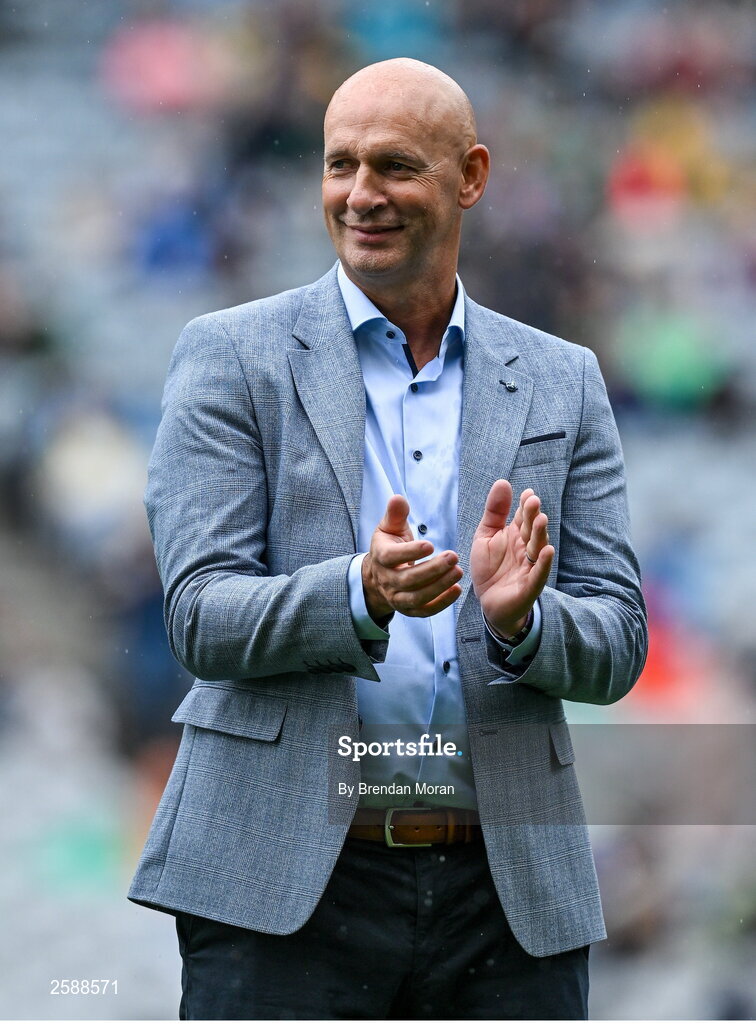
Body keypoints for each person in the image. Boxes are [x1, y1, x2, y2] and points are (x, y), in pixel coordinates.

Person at [128, 58, 647, 1019]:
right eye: (340, 165)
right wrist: (359, 593)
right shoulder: (230, 355)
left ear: (472, 177)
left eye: (396, 166)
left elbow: (618, 642)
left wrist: (525, 625)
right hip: (282, 893)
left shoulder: (563, 378)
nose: (361, 195)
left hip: (507, 896)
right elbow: (198, 615)